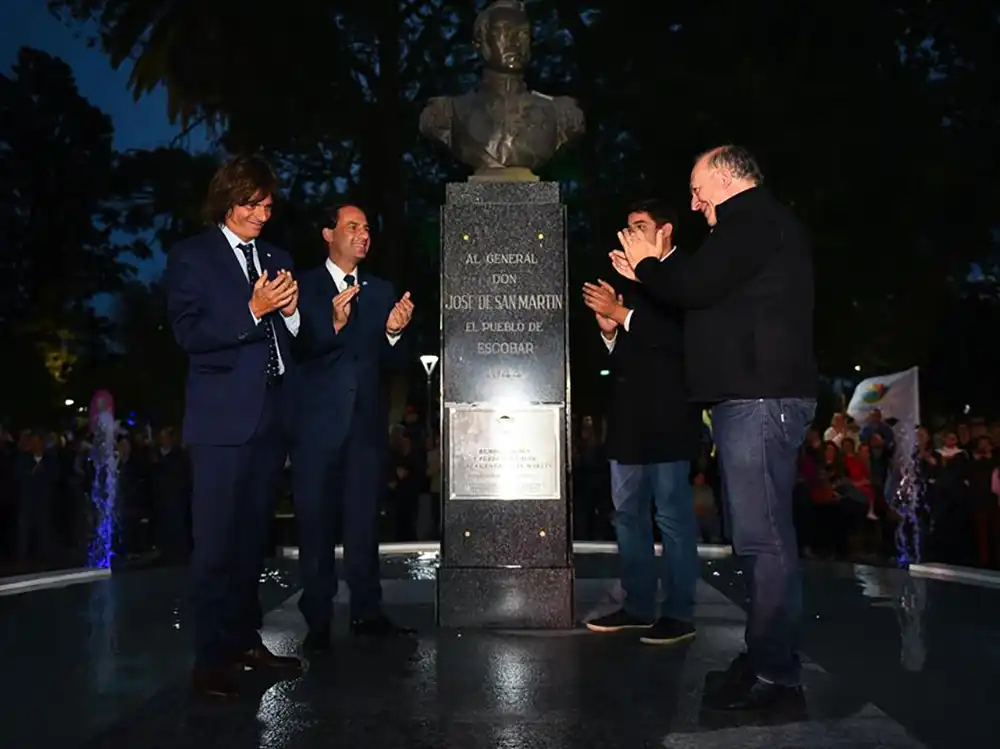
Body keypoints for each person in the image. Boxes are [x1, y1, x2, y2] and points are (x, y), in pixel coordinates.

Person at [611, 145, 817, 712]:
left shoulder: (752, 218)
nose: (695, 200)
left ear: (729, 179)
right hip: (749, 399)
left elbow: (695, 287)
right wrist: (650, 274)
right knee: (756, 538)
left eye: (699, 187)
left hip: (760, 398)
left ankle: (776, 675)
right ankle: (766, 658)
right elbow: (700, 291)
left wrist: (650, 266)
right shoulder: (750, 227)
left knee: (764, 538)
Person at [164, 155, 303, 698]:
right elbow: (189, 333)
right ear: (228, 199)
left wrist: (290, 313)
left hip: (272, 418)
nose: (262, 215)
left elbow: (295, 336)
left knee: (251, 543)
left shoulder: (277, 256)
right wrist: (252, 309)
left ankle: (245, 640)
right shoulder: (191, 257)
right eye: (252, 204)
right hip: (221, 422)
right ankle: (210, 659)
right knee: (216, 545)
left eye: (268, 205)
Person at [291, 203, 415, 651]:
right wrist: (333, 324)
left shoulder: (381, 291)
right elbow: (294, 352)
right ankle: (318, 619)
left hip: (364, 430)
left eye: (367, 227)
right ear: (328, 233)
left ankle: (368, 611)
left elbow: (395, 364)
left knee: (364, 527)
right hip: (315, 431)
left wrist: (395, 334)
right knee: (316, 528)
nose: (363, 235)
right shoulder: (301, 286)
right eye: (352, 227)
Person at [580, 199, 702, 645]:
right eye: (627, 228)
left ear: (664, 231)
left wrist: (622, 314)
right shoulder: (631, 280)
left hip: (669, 421)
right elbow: (622, 358)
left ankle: (679, 612)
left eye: (640, 227)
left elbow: (678, 344)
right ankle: (637, 605)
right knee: (627, 517)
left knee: (672, 519)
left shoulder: (684, 275)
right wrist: (608, 331)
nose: (629, 235)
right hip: (629, 423)